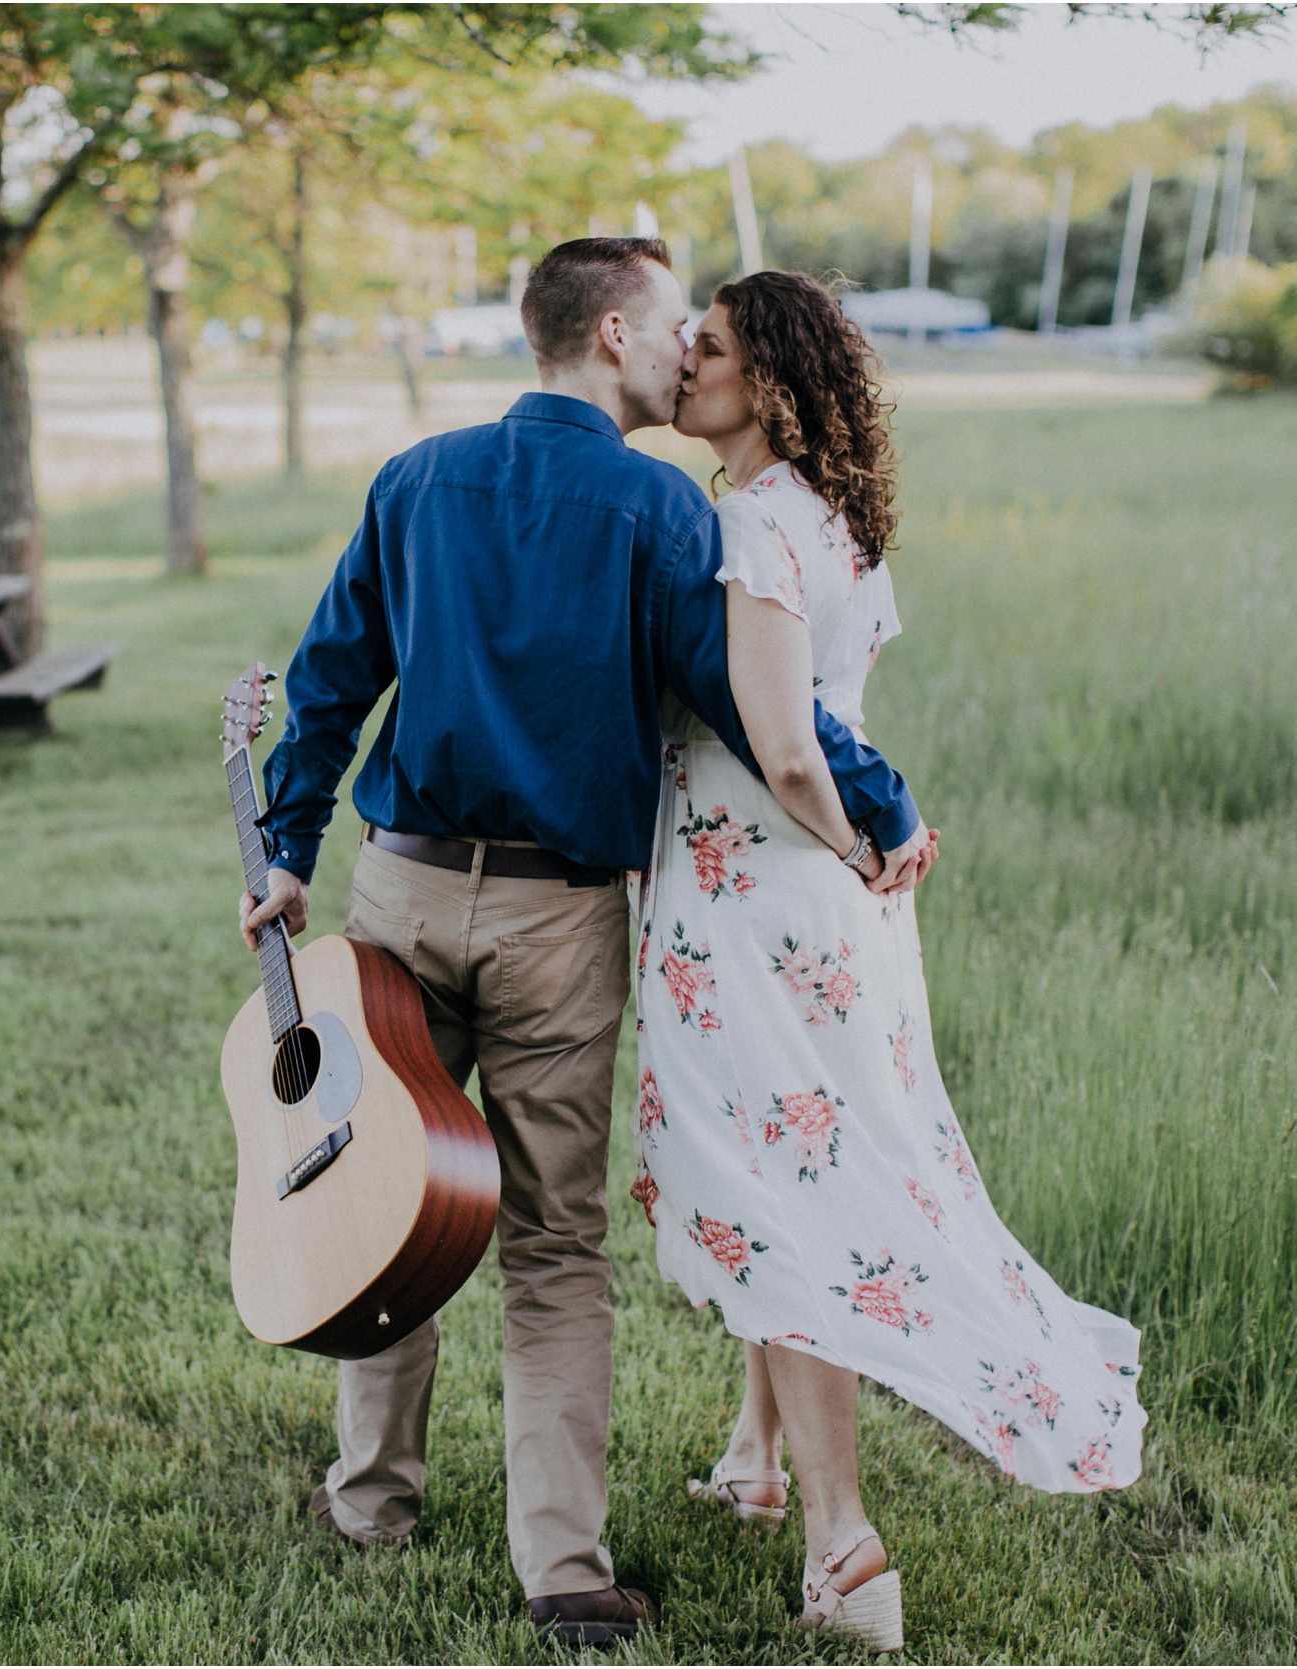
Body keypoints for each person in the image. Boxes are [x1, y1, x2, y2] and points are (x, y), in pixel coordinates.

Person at [239, 238, 930, 1648]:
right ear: (613, 332)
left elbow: (324, 687)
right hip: (559, 919)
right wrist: (883, 798)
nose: (689, 351)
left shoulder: (416, 480)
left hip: (402, 897)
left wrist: (284, 851)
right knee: (553, 1246)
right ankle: (563, 1566)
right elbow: (751, 706)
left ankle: (371, 1499)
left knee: (385, 1205)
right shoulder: (655, 507)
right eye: (678, 324)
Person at [631, 270, 1145, 1653]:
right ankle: (755, 1452)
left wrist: (851, 839)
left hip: (765, 906)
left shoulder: (748, 525)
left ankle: (844, 1544)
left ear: (774, 384)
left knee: (784, 1203)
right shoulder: (835, 519)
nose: (686, 368)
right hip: (830, 912)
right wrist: (866, 848)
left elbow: (790, 739)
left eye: (714, 351)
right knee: (781, 1176)